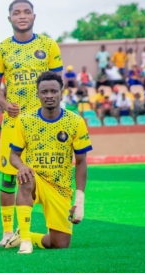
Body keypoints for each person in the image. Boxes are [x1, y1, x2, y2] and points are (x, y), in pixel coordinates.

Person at [0, 0, 63, 247]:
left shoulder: (48, 45)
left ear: (34, 16)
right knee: (9, 179)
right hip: (14, 123)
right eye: (17, 13)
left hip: (43, 124)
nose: (22, 16)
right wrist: (4, 105)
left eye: (27, 12)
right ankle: (7, 233)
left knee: (46, 175)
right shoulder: (0, 50)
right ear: (9, 18)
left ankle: (38, 230)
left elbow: (57, 84)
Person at [5, 72, 92, 253]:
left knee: (60, 244)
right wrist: (22, 167)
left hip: (60, 187)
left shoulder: (75, 122)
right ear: (38, 94)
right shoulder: (25, 120)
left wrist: (80, 200)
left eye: (54, 91)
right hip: (36, 179)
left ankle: (26, 236)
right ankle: (25, 240)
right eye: (44, 92)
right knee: (26, 177)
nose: (49, 95)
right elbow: (14, 156)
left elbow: (81, 162)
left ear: (62, 92)